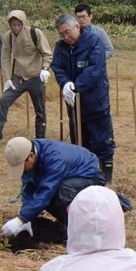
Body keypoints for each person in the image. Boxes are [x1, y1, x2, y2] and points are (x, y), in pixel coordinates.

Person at [51, 14, 115, 183]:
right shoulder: (60, 47)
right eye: (61, 34)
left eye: (68, 32)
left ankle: (106, 177)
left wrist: (75, 86)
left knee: (102, 139)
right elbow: (57, 66)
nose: (66, 37)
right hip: (73, 102)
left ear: (77, 27)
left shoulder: (94, 41)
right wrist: (65, 84)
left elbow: (95, 69)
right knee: (79, 140)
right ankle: (86, 174)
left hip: (95, 100)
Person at [0, 137, 107, 237]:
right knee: (45, 195)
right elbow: (29, 189)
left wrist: (20, 220)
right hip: (68, 176)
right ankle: (66, 220)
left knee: (62, 190)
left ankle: (80, 230)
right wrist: (25, 217)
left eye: (21, 166)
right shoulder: (27, 155)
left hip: (90, 175)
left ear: (31, 156)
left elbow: (46, 192)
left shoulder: (54, 158)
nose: (22, 170)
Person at [0, 10, 53, 144]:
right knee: (3, 101)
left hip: (36, 76)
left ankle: (40, 138)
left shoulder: (34, 33)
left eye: (19, 24)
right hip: (18, 77)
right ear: (10, 25)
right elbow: (5, 59)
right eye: (13, 25)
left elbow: (47, 53)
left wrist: (45, 68)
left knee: (40, 110)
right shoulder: (8, 37)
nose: (16, 28)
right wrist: (7, 78)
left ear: (23, 23)